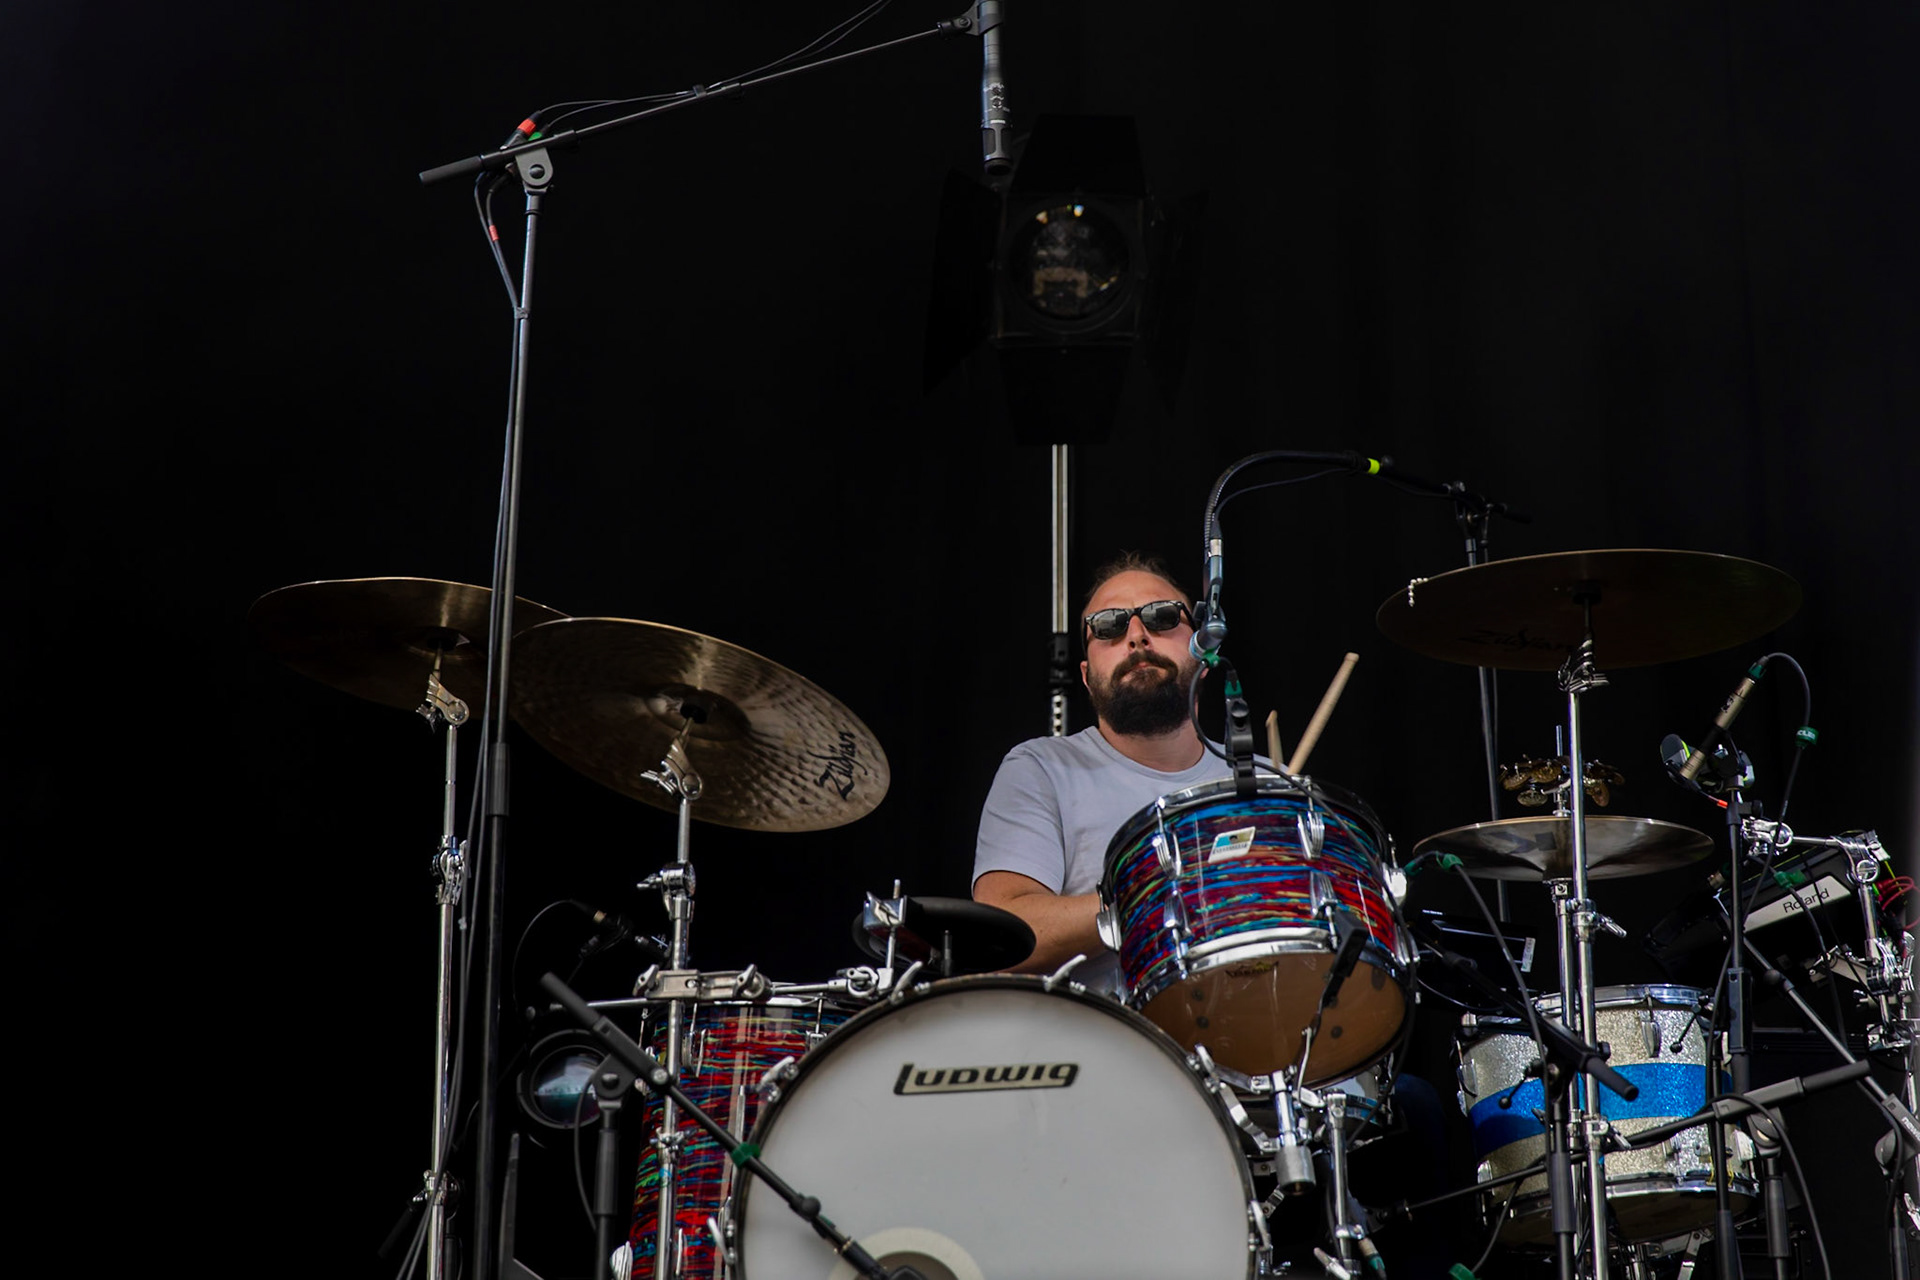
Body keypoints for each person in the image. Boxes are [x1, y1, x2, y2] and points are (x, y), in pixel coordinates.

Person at [972, 551, 1242, 996]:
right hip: (1099, 1052)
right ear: (1085, 675)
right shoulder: (1041, 769)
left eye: (1160, 617)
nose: (1136, 636)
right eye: (1109, 626)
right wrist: (1157, 891)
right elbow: (1002, 937)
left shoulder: (1267, 784)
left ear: (1205, 649)